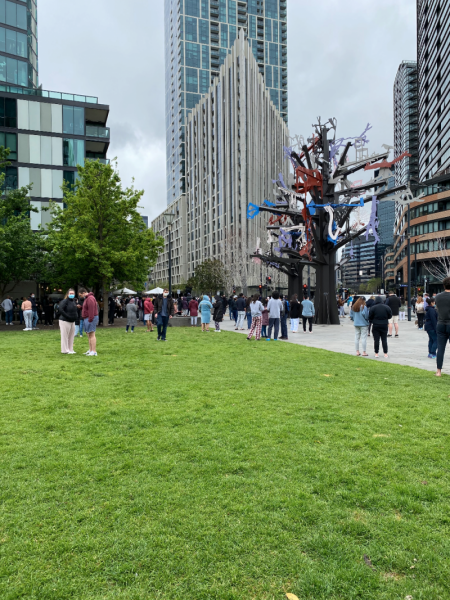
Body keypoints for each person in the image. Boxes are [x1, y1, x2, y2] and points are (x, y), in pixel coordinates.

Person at [435, 277, 450, 376]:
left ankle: (438, 371)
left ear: (444, 286)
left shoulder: (438, 297)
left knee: (440, 348)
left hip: (440, 323)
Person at [79, 288, 99, 356]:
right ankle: (90, 350)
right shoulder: (87, 298)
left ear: (83, 293)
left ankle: (94, 351)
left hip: (90, 318)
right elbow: (87, 308)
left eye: (80, 295)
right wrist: (81, 307)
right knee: (89, 334)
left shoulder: (90, 298)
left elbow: (91, 310)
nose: (81, 297)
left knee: (91, 334)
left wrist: (90, 319)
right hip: (87, 318)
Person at [58, 288, 78, 354]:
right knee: (65, 336)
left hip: (72, 321)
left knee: (71, 336)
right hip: (65, 321)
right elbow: (61, 310)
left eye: (73, 293)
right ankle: (65, 350)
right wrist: (68, 316)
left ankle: (70, 349)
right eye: (70, 293)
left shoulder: (74, 301)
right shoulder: (64, 301)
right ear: (68, 294)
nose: (72, 295)